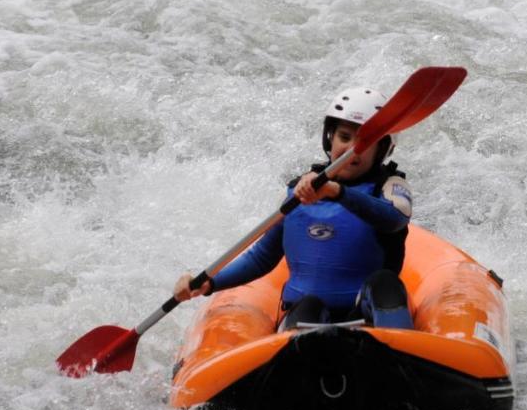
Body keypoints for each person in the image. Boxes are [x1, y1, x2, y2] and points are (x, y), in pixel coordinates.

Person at [173, 87, 414, 330]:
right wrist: (209, 283)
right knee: (309, 304)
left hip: (367, 319)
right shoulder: (299, 191)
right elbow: (261, 259)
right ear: (330, 138)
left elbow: (393, 219)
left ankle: (401, 351)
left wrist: (336, 191)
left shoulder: (390, 187)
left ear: (382, 149)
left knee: (386, 284)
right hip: (307, 323)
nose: (352, 149)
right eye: (344, 137)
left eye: (365, 141)